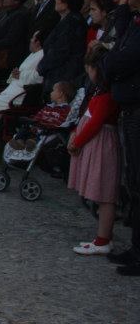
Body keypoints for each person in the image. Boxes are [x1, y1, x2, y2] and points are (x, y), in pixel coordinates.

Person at [102, 0, 140, 275]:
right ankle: (136, 248)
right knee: (134, 181)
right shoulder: (132, 18)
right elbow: (116, 46)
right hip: (129, 107)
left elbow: (120, 59)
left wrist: (111, 61)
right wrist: (125, 8)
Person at [68, 45, 120, 256]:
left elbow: (96, 122)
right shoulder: (101, 91)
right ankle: (102, 237)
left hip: (101, 143)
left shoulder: (106, 94)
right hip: (95, 142)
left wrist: (77, 141)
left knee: (104, 192)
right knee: (101, 192)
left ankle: (103, 239)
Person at [37, 0, 87, 95]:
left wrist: (41, 66)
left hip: (63, 79)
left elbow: (59, 52)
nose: (55, 0)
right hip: (58, 76)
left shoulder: (72, 23)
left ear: (66, 2)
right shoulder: (67, 21)